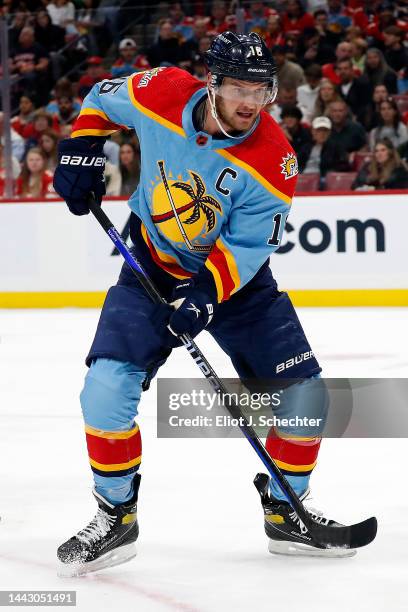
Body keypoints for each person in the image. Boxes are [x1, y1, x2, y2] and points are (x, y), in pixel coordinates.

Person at [53, 31, 363, 573]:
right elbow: (101, 99)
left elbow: (246, 248)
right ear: (213, 83)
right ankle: (115, 516)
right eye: (239, 87)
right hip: (149, 262)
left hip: (234, 286)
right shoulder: (163, 91)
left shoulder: (275, 159)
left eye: (261, 90)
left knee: (307, 395)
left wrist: (202, 296)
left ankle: (287, 510)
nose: (251, 102)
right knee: (105, 389)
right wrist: (81, 148)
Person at [302, 116, 350, 183]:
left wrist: (328, 174)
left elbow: (344, 166)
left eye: (325, 130)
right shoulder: (306, 147)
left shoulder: (336, 148)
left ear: (329, 132)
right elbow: (298, 164)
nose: (322, 133)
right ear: (313, 131)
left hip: (324, 180)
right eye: (319, 130)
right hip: (303, 179)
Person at [280, 106, 312, 171]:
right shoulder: (278, 133)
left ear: (298, 119)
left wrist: (290, 140)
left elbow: (302, 157)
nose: (289, 119)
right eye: (287, 117)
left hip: (301, 167)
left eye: (292, 117)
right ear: (283, 119)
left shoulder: (305, 133)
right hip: (281, 166)